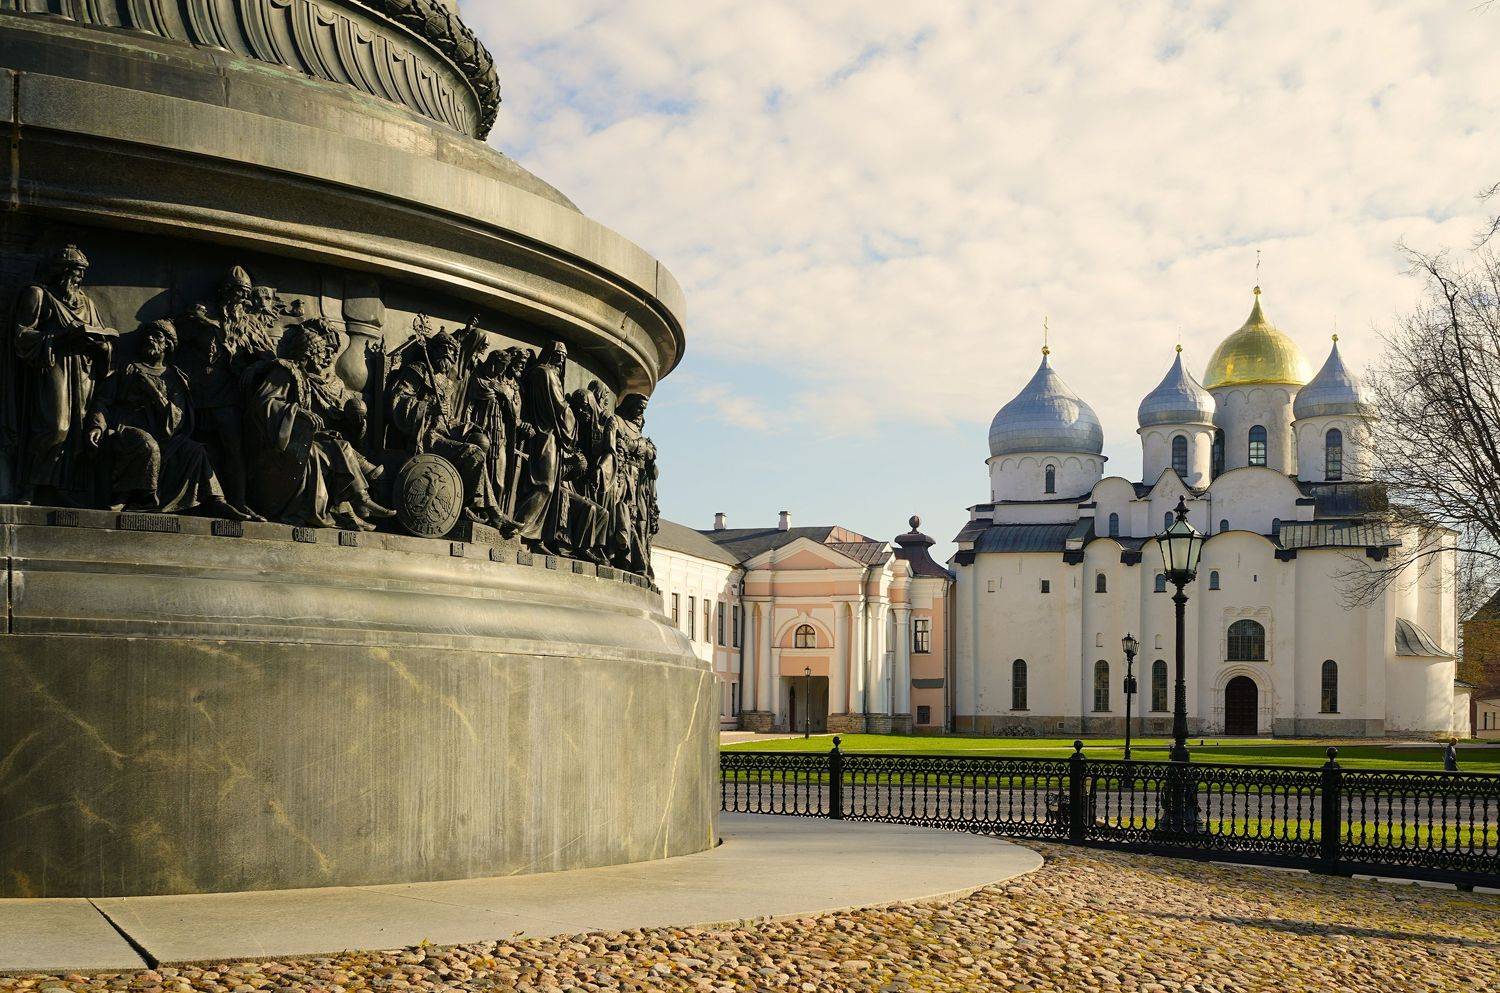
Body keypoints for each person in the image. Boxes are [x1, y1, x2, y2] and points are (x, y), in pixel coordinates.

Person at [85, 319, 243, 519]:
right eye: (146, 336)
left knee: (195, 450)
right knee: (148, 445)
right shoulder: (128, 369)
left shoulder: (175, 377)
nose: (149, 339)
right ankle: (142, 500)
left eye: (156, 336)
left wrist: (153, 392)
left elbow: (177, 420)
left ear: (167, 344)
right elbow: (103, 401)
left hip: (164, 436)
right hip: (125, 431)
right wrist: (97, 426)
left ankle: (215, 500)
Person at [247, 319, 393, 530]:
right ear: (308, 354)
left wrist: (353, 420)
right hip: (277, 447)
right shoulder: (285, 373)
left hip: (301, 440)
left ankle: (360, 498)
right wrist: (298, 413)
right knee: (318, 453)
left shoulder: (311, 380)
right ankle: (347, 508)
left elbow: (329, 418)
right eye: (322, 353)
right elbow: (263, 405)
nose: (327, 359)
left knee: (338, 445)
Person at [7, 244, 117, 504]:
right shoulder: (38, 295)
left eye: (81, 273)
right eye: (74, 272)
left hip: (82, 371)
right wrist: (59, 337)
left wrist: (103, 346)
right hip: (52, 365)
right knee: (57, 426)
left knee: (77, 431)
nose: (78, 278)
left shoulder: (87, 303)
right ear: (60, 271)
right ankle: (30, 485)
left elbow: (102, 336)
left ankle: (60, 487)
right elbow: (21, 335)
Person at [173, 266, 266, 518]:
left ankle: (238, 501)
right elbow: (175, 335)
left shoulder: (247, 322)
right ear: (226, 292)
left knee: (233, 449)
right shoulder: (204, 312)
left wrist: (255, 365)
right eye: (239, 293)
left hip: (228, 396)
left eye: (246, 294)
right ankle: (203, 500)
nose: (243, 299)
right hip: (196, 393)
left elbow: (266, 355)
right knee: (199, 447)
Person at [387, 330, 501, 527]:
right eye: (443, 349)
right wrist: (427, 407)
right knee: (473, 453)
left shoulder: (446, 384)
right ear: (433, 351)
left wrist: (469, 428)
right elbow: (398, 402)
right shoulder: (417, 371)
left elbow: (447, 421)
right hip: (424, 436)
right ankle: (482, 509)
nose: (447, 354)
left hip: (441, 433)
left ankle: (481, 507)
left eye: (451, 351)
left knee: (479, 440)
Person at [512, 341, 579, 554]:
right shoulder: (546, 374)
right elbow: (560, 408)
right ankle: (521, 529)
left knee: (548, 485)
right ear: (549, 354)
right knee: (544, 484)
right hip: (545, 435)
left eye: (563, 356)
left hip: (550, 436)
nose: (560, 359)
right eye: (557, 354)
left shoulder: (543, 373)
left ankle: (536, 536)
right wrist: (571, 416)